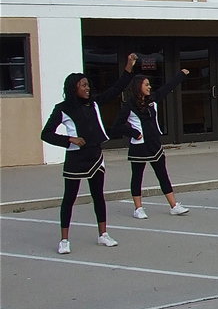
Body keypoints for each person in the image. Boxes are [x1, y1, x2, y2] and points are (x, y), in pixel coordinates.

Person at [40, 53, 137, 253]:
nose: (87, 88)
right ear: (74, 87)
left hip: (95, 156)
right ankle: (64, 240)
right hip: (76, 158)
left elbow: (115, 90)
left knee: (98, 195)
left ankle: (103, 234)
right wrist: (69, 140)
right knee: (70, 198)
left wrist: (128, 67)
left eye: (88, 85)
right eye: (83, 85)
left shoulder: (93, 103)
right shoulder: (63, 109)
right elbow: (46, 134)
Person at [113, 68, 192, 219]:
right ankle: (138, 208)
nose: (149, 87)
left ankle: (174, 205)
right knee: (137, 176)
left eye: (149, 84)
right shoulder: (128, 106)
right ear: (138, 87)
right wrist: (134, 133)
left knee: (162, 174)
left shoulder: (152, 100)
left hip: (154, 144)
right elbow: (117, 126)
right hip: (139, 146)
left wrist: (181, 75)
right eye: (146, 84)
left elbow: (167, 87)